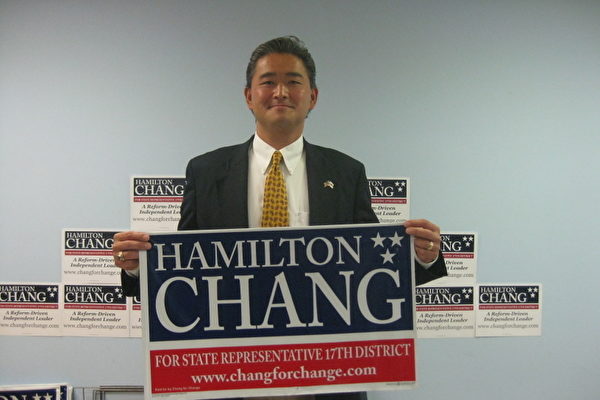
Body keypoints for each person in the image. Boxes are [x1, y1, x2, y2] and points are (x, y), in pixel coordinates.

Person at [113, 36, 447, 400]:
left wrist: (421, 259)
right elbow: (186, 270)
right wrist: (139, 268)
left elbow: (372, 269)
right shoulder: (206, 171)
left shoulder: (347, 172)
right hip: (230, 369)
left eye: (293, 81)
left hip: (326, 369)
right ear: (248, 96)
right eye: (268, 81)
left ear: (312, 97)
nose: (281, 92)